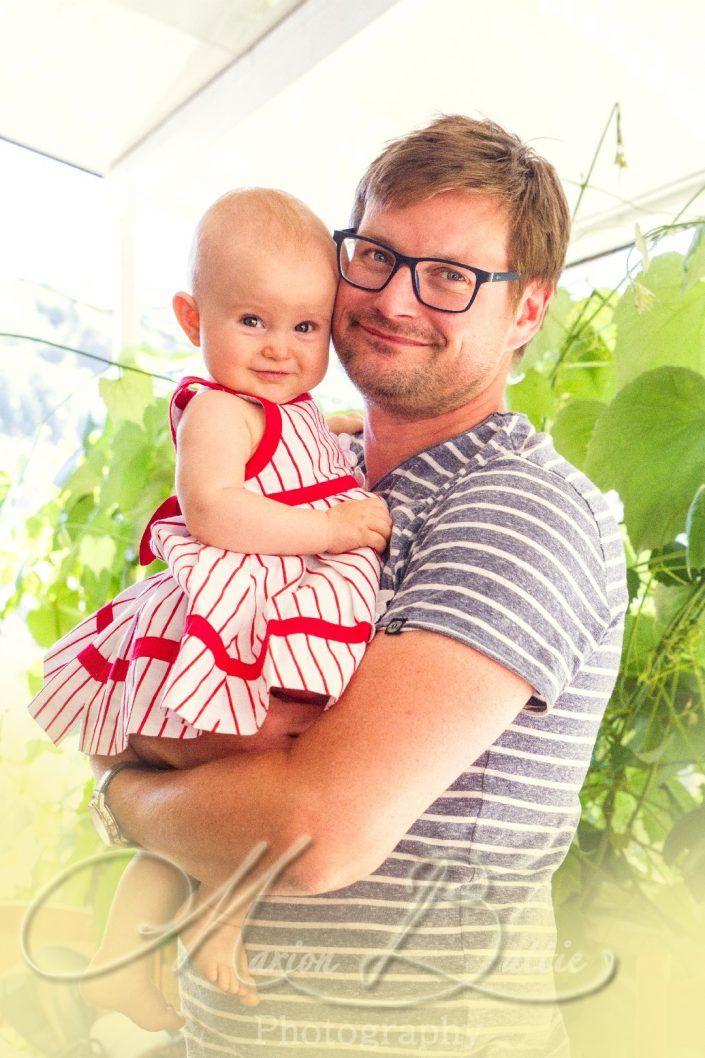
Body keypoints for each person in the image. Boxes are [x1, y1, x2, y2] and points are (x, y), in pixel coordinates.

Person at [85, 115, 627, 1057]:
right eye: (374, 254)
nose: (394, 300)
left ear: (527, 311)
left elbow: (315, 829)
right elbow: (145, 674)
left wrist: (130, 799)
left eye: (451, 275)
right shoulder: (306, 474)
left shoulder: (518, 511)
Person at [27, 188, 393, 1030]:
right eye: (252, 322)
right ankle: (217, 911)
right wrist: (331, 525)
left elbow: (295, 452)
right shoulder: (220, 411)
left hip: (259, 608)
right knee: (262, 756)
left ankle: (131, 950)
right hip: (225, 617)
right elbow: (217, 512)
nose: (278, 349)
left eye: (304, 328)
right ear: (193, 318)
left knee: (219, 782)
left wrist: (329, 437)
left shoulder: (288, 412)